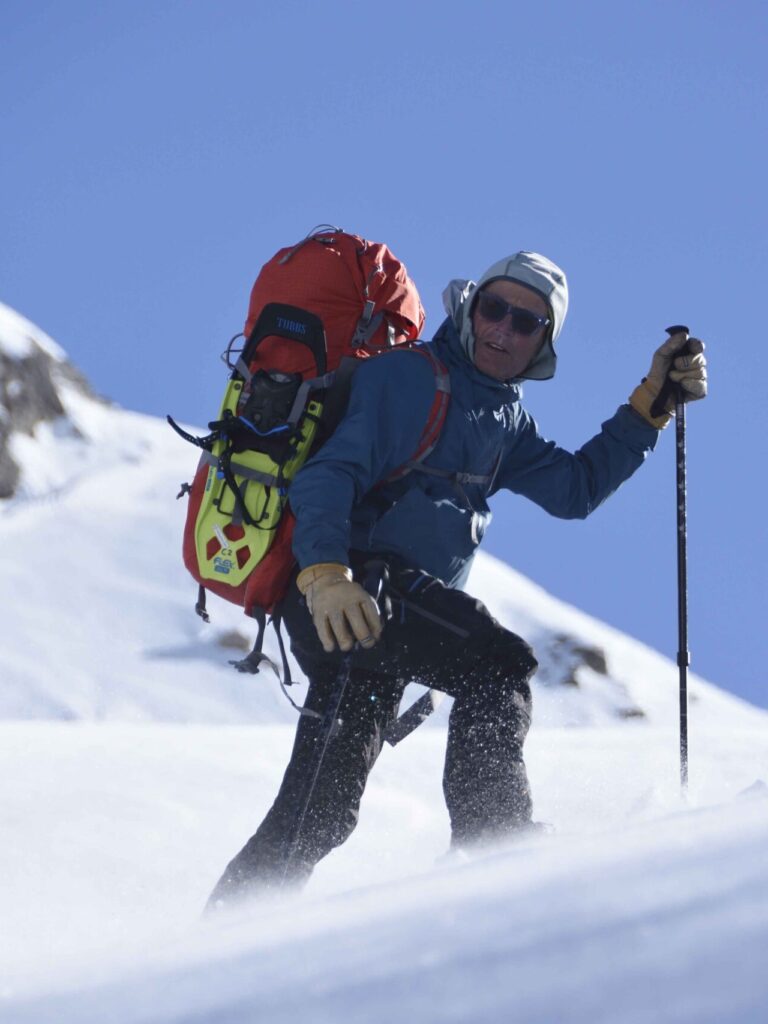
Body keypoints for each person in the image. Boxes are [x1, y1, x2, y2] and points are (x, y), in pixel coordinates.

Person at [207, 251, 707, 905]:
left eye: (525, 322)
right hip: (354, 591)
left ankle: (224, 937)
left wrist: (648, 409)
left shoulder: (502, 415)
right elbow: (330, 474)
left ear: (543, 342)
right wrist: (326, 574)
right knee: (497, 664)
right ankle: (494, 848)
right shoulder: (410, 379)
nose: (503, 329)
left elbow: (575, 489)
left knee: (319, 812)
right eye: (494, 308)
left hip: (369, 615)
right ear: (471, 309)